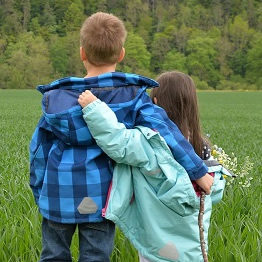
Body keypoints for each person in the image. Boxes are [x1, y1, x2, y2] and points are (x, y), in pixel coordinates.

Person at [30, 11, 212, 261]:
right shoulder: (132, 97)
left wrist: (40, 192)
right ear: (122, 54)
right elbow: (167, 133)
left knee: (53, 255)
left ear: (82, 53)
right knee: (96, 256)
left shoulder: (56, 100)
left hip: (57, 193)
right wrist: (198, 171)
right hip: (102, 198)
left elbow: (38, 151)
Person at [77, 73, 227, 261]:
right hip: (193, 248)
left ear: (154, 102)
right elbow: (211, 191)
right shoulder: (201, 147)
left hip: (156, 243)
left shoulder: (151, 142)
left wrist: (94, 107)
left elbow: (117, 141)